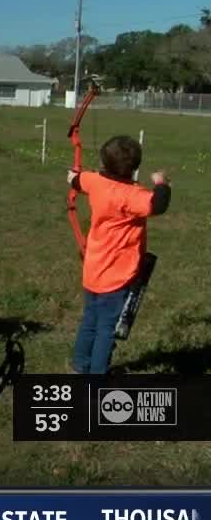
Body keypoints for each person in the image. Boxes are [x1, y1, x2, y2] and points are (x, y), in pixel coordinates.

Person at [67, 137, 170, 374]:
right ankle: (97, 376)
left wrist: (74, 176)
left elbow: (75, 180)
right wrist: (161, 182)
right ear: (135, 167)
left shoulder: (94, 181)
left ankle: (80, 366)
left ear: (104, 162)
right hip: (116, 277)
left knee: (90, 321)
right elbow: (159, 203)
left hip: (93, 271)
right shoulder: (133, 195)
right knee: (106, 329)